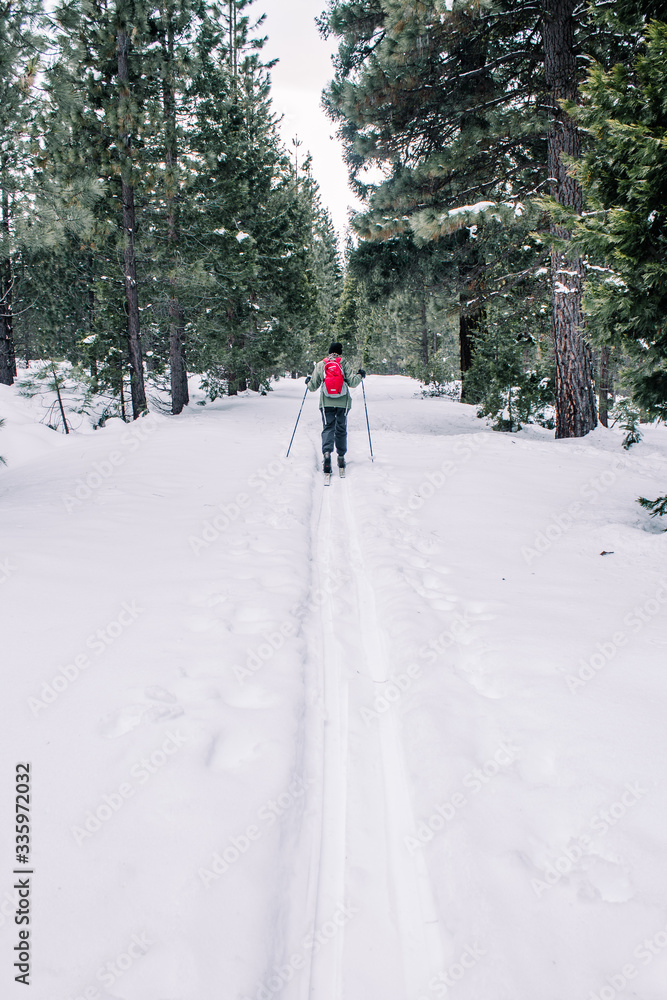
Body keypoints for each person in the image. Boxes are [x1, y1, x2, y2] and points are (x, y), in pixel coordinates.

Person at [306, 342, 366, 473]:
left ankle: (327, 453)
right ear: (340, 352)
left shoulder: (322, 364)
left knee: (328, 427)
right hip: (343, 403)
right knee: (341, 428)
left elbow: (312, 387)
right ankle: (340, 456)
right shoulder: (343, 363)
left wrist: (308, 382)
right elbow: (353, 382)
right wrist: (360, 375)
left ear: (329, 352)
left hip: (326, 403)